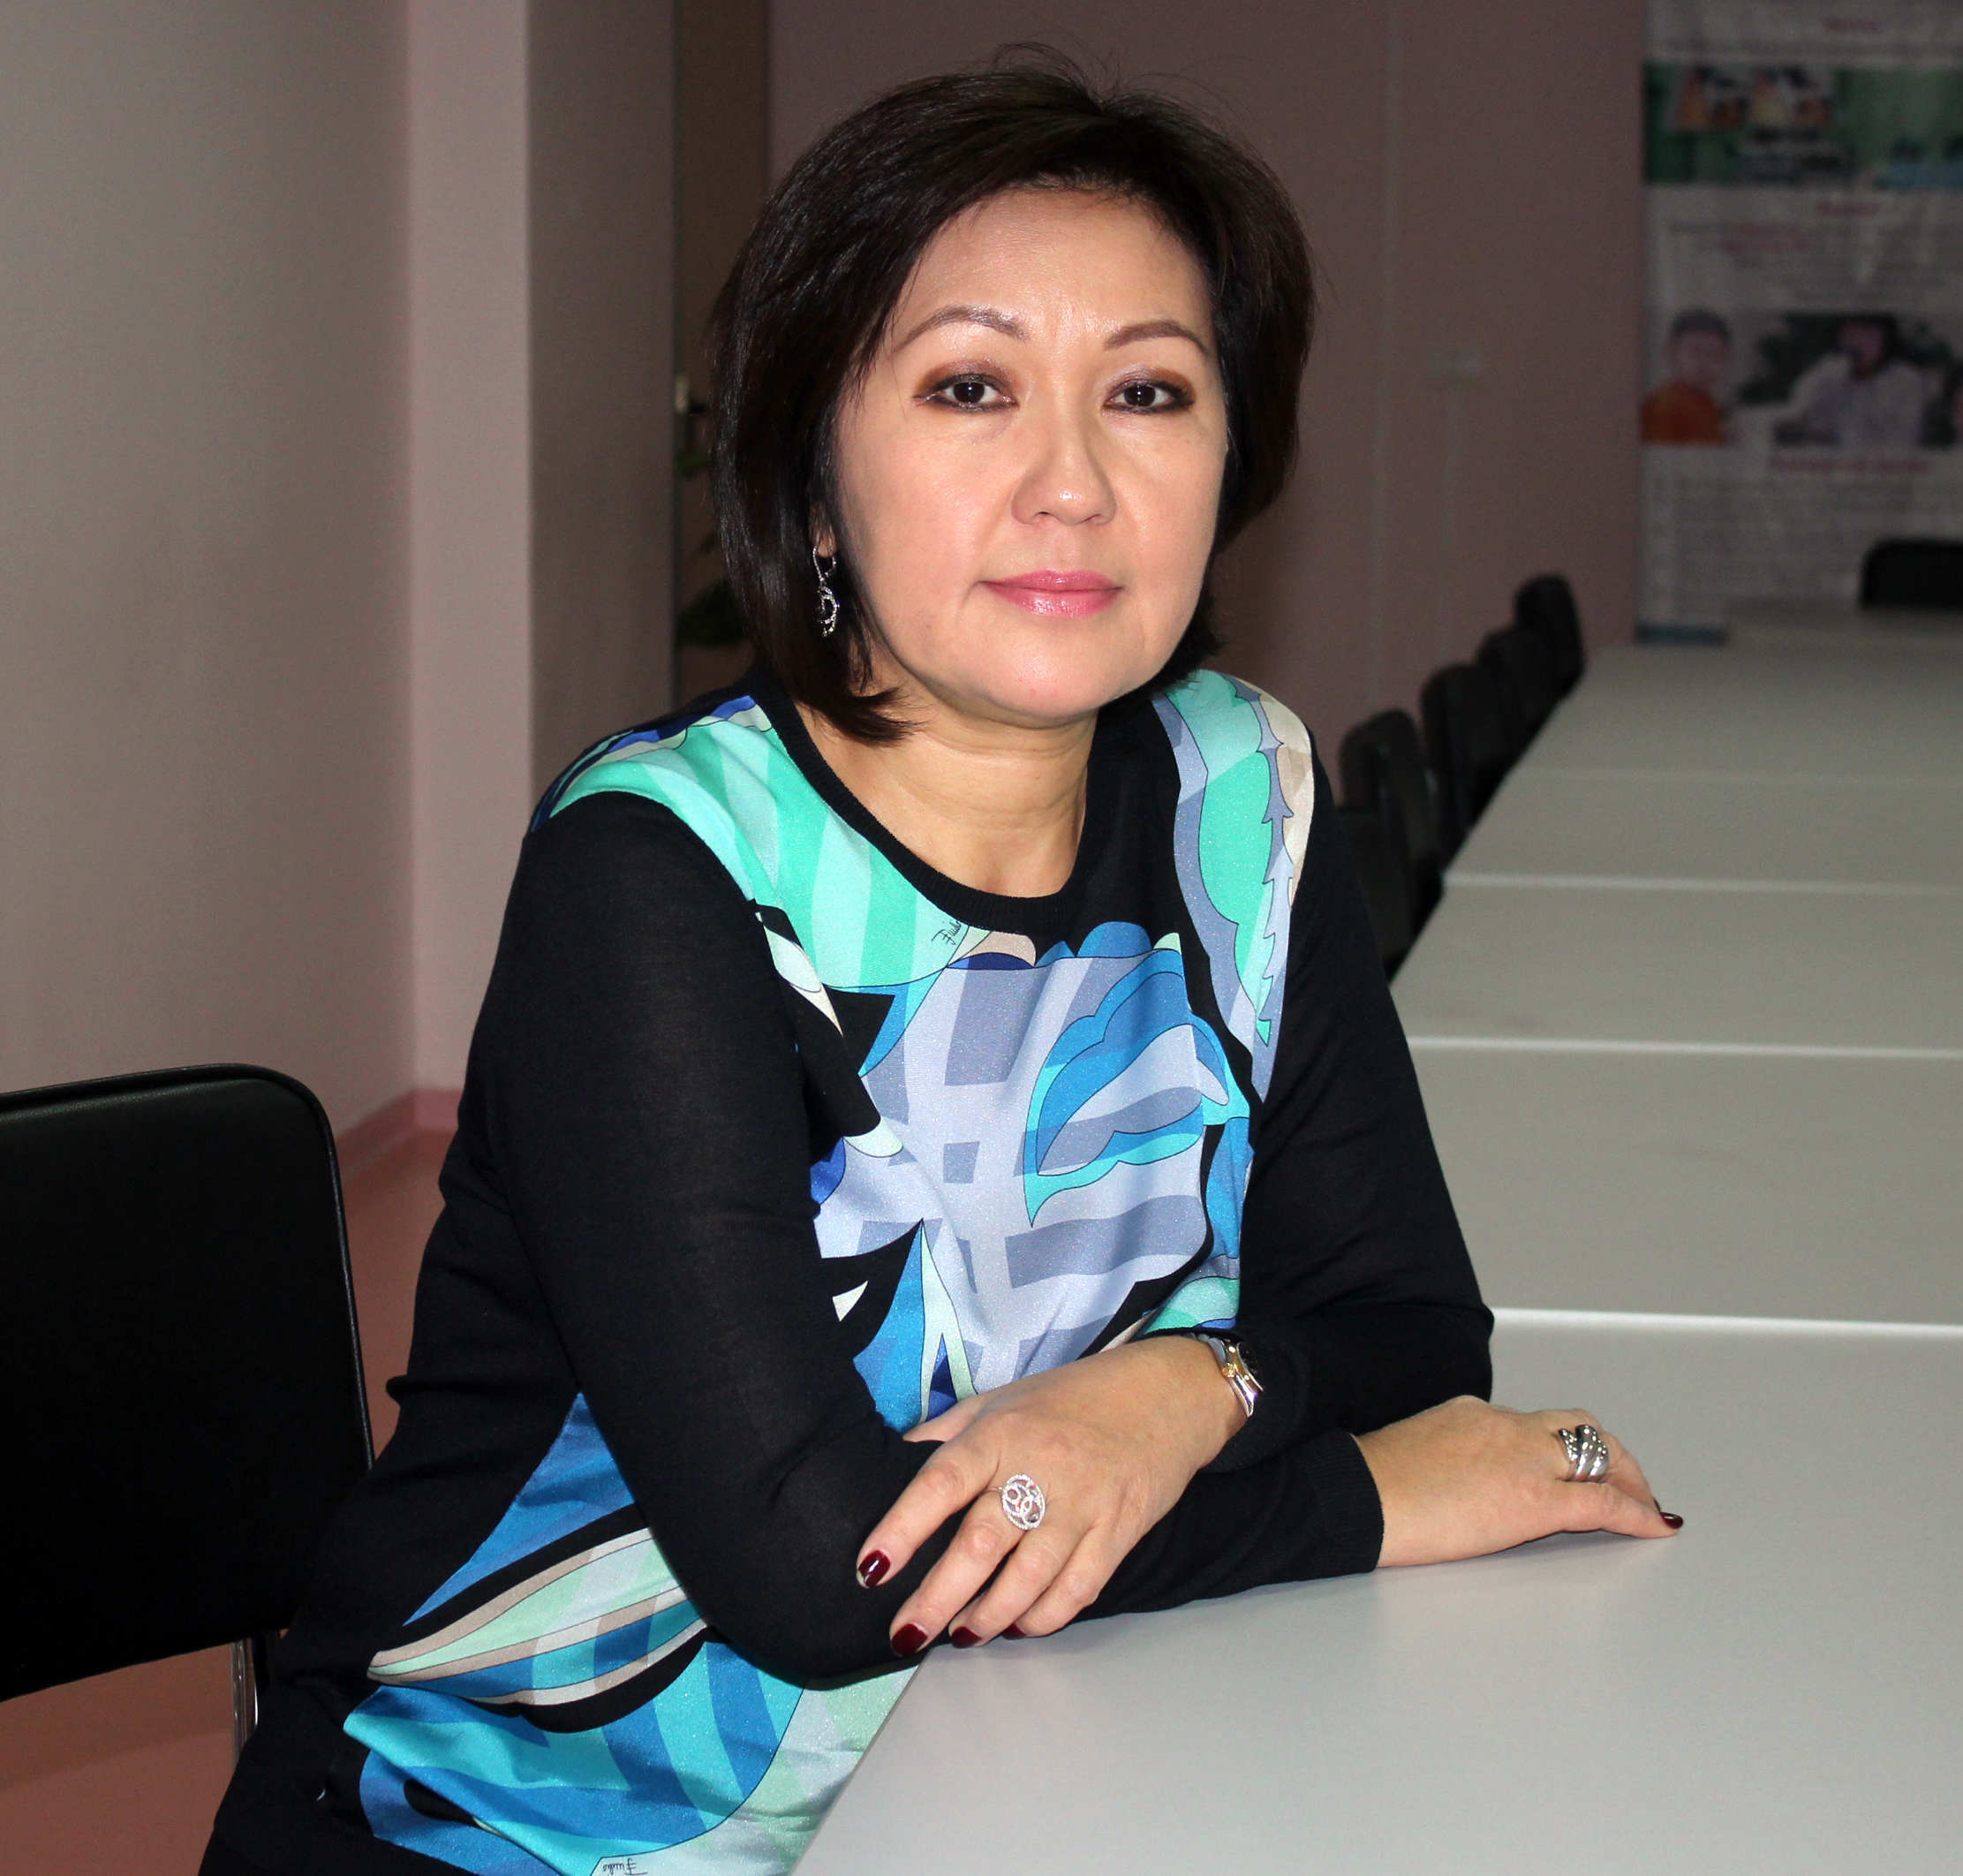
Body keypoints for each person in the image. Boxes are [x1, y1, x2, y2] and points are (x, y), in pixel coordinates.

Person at [200, 55, 1676, 1876]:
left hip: (1020, 1762)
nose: (1071, 482)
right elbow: (829, 1573)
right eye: (970, 387)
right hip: (509, 1822)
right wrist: (1369, 1500)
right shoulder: (662, 875)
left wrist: (1174, 1394)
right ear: (815, 482)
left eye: (1147, 391)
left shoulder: (1241, 793)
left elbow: (1407, 1327)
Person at [1775, 314, 1926, 450]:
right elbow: (1797, 413)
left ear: (1886, 338)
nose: (1860, 343)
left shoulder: (1906, 381)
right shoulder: (1827, 370)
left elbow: (1902, 441)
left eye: (1869, 335)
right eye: (1852, 334)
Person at [1642, 307, 1733, 444]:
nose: (1704, 363)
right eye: (1694, 353)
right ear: (1671, 353)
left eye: (1715, 355)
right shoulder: (1664, 405)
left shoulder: (1710, 405)